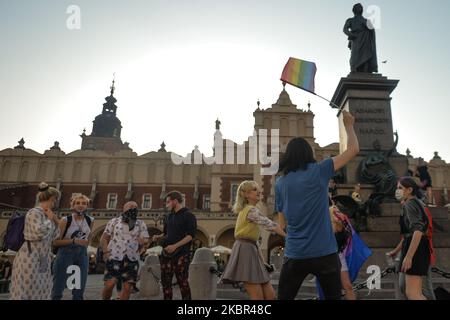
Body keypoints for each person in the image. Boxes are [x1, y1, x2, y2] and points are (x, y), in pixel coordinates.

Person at [275, 110, 359, 300]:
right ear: (308, 153)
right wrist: (349, 126)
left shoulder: (280, 183)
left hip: (295, 253)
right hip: (325, 253)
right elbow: (353, 150)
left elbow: (282, 225)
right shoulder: (320, 171)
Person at [221, 181, 286, 300]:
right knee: (258, 297)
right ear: (246, 194)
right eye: (255, 189)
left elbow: (254, 242)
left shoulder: (249, 210)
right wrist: (288, 235)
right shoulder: (250, 210)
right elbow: (269, 224)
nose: (259, 191)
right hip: (245, 251)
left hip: (251, 250)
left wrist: (263, 262)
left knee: (270, 295)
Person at [10, 182, 61, 300]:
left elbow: (54, 236)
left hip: (44, 256)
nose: (56, 202)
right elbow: (38, 233)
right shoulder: (34, 212)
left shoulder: (48, 214)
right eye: (55, 199)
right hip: (30, 256)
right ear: (52, 198)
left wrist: (56, 223)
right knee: (27, 289)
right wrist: (49, 220)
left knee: (43, 287)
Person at [387, 178, 436, 300]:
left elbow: (418, 231)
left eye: (400, 188)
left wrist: (409, 256)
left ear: (409, 190)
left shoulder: (410, 204)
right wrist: (396, 251)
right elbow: (408, 234)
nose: (397, 191)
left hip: (416, 248)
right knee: (413, 292)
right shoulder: (415, 203)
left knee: (413, 294)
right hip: (415, 246)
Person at [100, 201, 149, 300]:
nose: (134, 208)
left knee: (127, 288)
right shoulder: (114, 221)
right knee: (109, 284)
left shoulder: (140, 223)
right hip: (114, 256)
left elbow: (146, 239)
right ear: (124, 208)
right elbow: (104, 238)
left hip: (132, 258)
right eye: (131, 206)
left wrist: (143, 241)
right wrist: (105, 252)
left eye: (136, 207)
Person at [152, 191, 197, 300]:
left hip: (181, 254)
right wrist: (159, 236)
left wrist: (175, 246)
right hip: (166, 254)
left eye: (168, 202)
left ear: (175, 201)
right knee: (166, 284)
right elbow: (167, 233)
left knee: (183, 283)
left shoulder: (189, 215)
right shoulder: (168, 216)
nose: (166, 204)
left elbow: (190, 236)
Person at [51, 194, 93, 300]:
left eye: (84, 203)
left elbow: (89, 237)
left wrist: (85, 243)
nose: (81, 205)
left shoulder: (90, 220)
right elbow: (55, 242)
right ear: (72, 205)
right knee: (59, 285)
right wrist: (73, 240)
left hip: (82, 254)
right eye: (77, 203)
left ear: (87, 206)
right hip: (65, 253)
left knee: (79, 286)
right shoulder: (66, 220)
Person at [329, 202, 356, 300]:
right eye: (335, 211)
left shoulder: (342, 223)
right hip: (326, 257)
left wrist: (338, 221)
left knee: (348, 286)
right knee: (331, 289)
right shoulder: (326, 222)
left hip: (339, 256)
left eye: (338, 211)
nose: (338, 213)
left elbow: (343, 234)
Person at [343, 3, 378, 73]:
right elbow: (345, 29)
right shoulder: (350, 20)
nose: (359, 8)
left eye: (360, 7)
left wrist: (369, 28)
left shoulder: (366, 20)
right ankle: (354, 69)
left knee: (366, 55)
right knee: (354, 56)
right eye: (358, 7)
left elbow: (372, 30)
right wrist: (351, 34)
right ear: (354, 10)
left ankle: (366, 71)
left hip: (366, 40)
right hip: (356, 39)